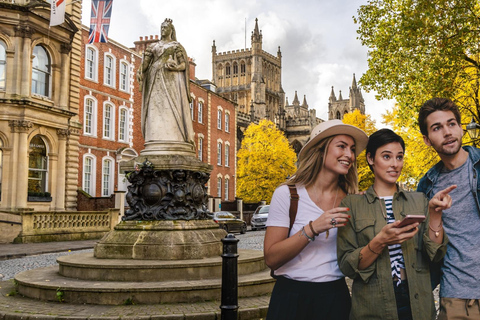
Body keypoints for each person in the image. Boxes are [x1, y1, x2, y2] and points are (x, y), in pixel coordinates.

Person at [337, 129, 452, 320]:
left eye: (399, 157)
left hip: (418, 303)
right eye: (386, 156)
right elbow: (347, 266)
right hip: (373, 305)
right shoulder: (352, 205)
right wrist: (379, 242)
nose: (395, 164)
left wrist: (435, 215)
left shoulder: (419, 200)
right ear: (371, 159)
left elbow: (436, 254)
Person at [264, 119, 368, 320]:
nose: (349, 155)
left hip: (335, 298)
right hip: (290, 298)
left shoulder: (352, 200)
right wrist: (312, 228)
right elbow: (271, 258)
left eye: (352, 149)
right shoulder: (287, 194)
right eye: (341, 146)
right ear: (321, 150)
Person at [417, 98, 480, 319]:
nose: (447, 132)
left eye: (451, 124)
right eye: (437, 127)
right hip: (456, 297)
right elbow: (431, 253)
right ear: (426, 139)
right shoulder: (426, 187)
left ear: (461, 128)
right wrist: (434, 213)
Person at [137, 18, 195, 154]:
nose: (163, 30)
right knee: (155, 107)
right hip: (154, 78)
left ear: (171, 30)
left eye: (165, 28)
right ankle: (156, 137)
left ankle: (173, 136)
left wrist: (175, 68)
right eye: (161, 27)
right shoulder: (153, 47)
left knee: (170, 107)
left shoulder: (176, 46)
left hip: (171, 81)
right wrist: (141, 72)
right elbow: (145, 64)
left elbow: (184, 65)